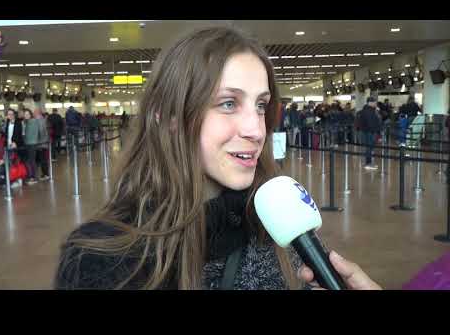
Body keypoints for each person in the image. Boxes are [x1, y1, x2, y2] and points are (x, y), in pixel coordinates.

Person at [54, 26, 381, 290]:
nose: (256, 129)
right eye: (228, 103)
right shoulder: (99, 260)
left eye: (261, 105)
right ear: (167, 117)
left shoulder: (282, 231)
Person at [360, 97, 382, 170]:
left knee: (369, 148)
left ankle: (369, 163)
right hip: (370, 132)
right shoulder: (369, 111)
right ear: (370, 102)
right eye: (375, 102)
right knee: (369, 148)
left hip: (368, 131)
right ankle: (368, 163)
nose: (376, 104)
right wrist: (374, 131)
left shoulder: (369, 110)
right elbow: (371, 122)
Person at [22, 109, 39, 185]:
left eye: (27, 114)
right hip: (28, 143)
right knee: (29, 160)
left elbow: (30, 133)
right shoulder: (26, 122)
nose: (26, 115)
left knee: (31, 160)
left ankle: (33, 177)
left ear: (30, 114)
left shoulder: (32, 122)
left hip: (32, 143)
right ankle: (31, 176)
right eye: (25, 114)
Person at [33, 108, 50, 181]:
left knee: (43, 159)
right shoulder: (42, 119)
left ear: (37, 113)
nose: (33, 114)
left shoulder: (39, 120)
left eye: (34, 112)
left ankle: (45, 174)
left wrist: (36, 140)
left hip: (41, 143)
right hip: (42, 143)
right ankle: (44, 174)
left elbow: (40, 131)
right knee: (42, 159)